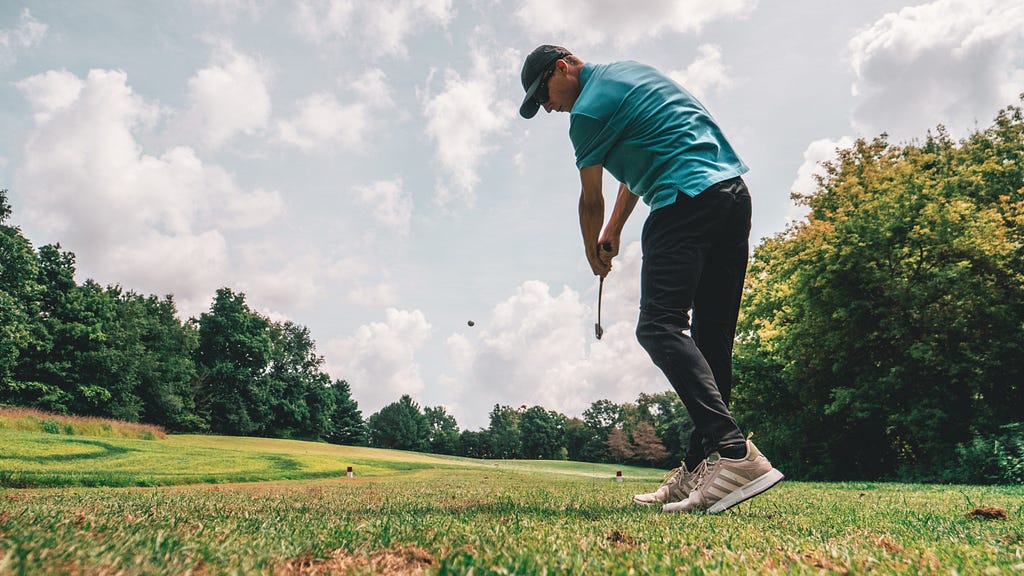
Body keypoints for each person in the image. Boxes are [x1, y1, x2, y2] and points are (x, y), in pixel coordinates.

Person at [519, 45, 783, 514]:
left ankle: (736, 452)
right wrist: (615, 231)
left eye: (543, 94)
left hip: (684, 201)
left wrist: (591, 254)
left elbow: (590, 200)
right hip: (730, 195)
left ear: (563, 67)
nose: (548, 107)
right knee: (711, 339)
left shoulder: (585, 112)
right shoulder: (628, 73)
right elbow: (637, 170)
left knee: (658, 327)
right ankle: (699, 469)